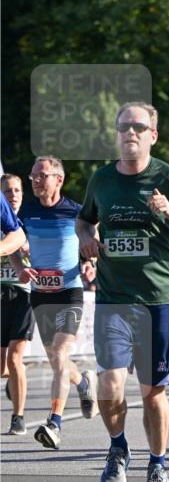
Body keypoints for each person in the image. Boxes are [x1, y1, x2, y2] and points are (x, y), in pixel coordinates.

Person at [77, 101, 169, 482]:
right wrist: (86, 235)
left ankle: (158, 465)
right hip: (113, 297)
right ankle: (118, 447)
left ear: (153, 135)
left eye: (138, 126)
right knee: (110, 382)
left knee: (152, 391)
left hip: (158, 298)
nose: (130, 133)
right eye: (123, 127)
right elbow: (85, 219)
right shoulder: (101, 179)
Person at [18, 156, 98, 449]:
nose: (36, 181)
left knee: (61, 353)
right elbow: (14, 241)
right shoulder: (27, 212)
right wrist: (19, 267)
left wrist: (91, 262)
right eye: (33, 176)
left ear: (58, 179)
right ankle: (84, 383)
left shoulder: (76, 212)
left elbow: (92, 238)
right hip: (40, 294)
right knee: (56, 359)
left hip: (70, 293)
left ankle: (54, 422)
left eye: (42, 176)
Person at [1, 175, 34, 435]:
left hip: (23, 295)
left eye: (17, 190)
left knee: (15, 357)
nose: (13, 195)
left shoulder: (31, 221)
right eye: (7, 191)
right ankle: (78, 380)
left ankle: (18, 416)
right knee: (4, 367)